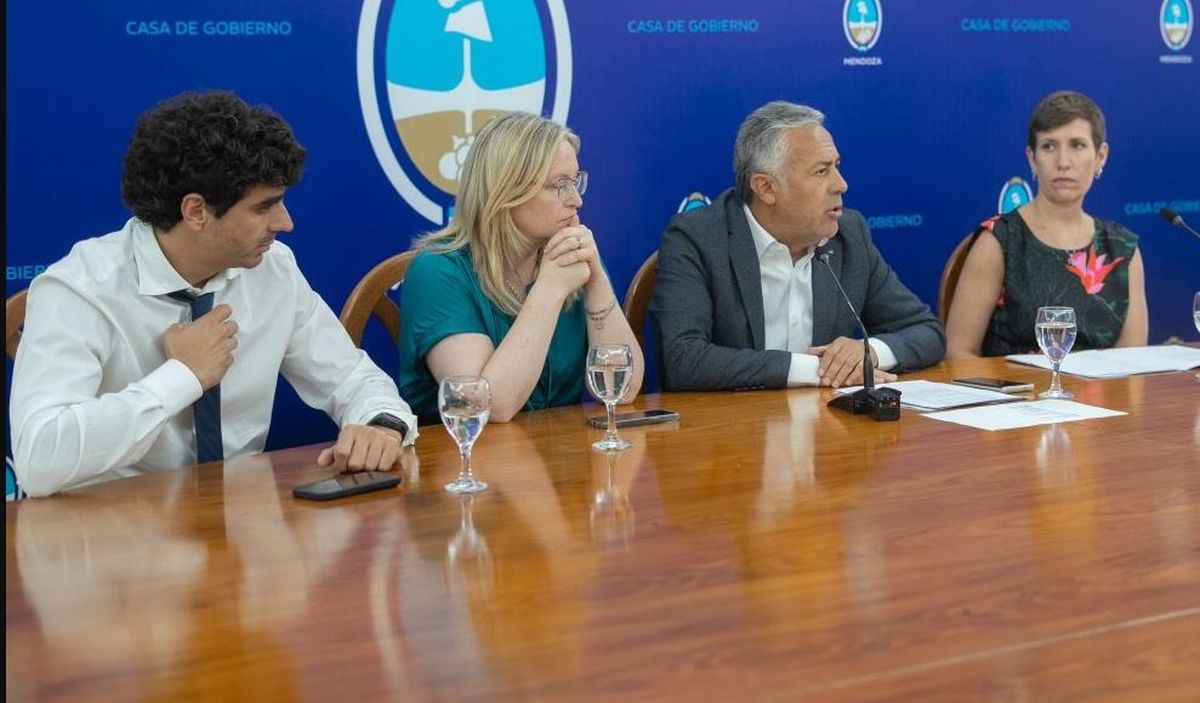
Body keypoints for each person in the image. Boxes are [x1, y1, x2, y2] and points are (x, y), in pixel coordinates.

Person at [9, 90, 418, 497]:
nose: (285, 223)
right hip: (109, 534)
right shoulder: (79, 290)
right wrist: (182, 376)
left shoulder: (274, 270)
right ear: (196, 211)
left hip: (242, 528)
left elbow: (349, 378)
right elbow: (39, 460)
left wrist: (383, 424)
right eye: (263, 208)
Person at [649, 101, 945, 391]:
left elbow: (927, 332)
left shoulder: (849, 235)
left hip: (826, 429)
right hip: (730, 431)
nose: (841, 184)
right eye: (821, 171)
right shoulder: (696, 238)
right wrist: (816, 369)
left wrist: (869, 353)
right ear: (766, 187)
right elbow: (683, 359)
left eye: (837, 167)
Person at [398, 111, 644, 423]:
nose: (576, 201)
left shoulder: (564, 254)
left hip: (555, 462)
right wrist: (549, 290)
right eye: (559, 185)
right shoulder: (436, 271)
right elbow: (487, 405)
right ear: (506, 192)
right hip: (463, 464)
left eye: (576, 182)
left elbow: (622, 391)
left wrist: (596, 281)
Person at [946, 91, 1148, 358]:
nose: (1063, 162)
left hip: (1105, 400)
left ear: (1101, 156)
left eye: (1077, 145)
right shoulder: (999, 241)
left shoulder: (1122, 249)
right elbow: (958, 354)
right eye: (1049, 146)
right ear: (1032, 157)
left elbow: (1134, 364)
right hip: (1016, 398)